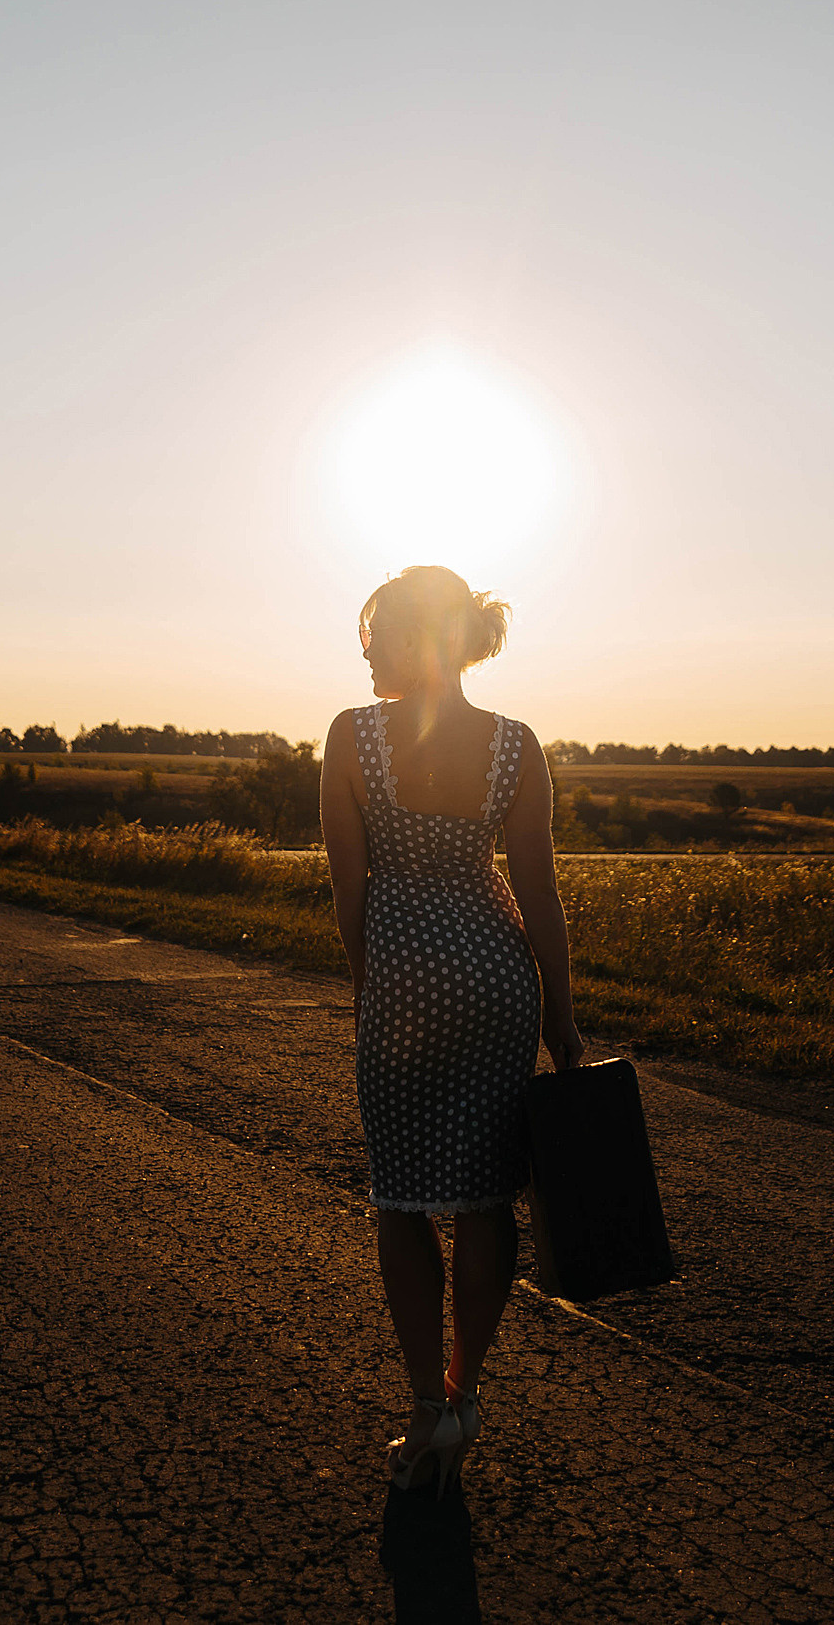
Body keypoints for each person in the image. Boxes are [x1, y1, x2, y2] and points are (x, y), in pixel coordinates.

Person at [319, 564, 587, 1494]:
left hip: (402, 982)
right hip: (497, 980)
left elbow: (350, 889)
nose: (367, 651)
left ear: (415, 637)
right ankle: (464, 1393)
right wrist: (560, 1014)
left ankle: (423, 1407)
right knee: (484, 1199)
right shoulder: (516, 746)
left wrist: (372, 986)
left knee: (401, 1198)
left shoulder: (352, 739)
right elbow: (541, 892)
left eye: (379, 631)